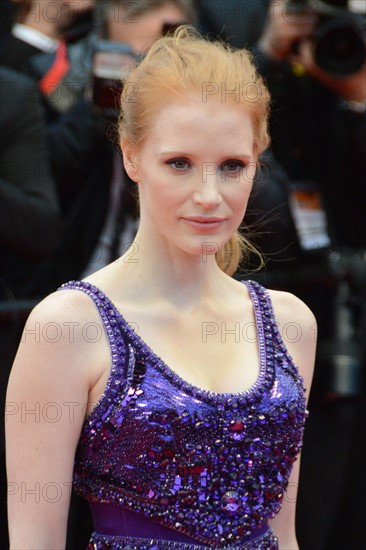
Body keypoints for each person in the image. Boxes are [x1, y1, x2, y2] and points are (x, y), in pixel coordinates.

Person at [6, 26, 316, 549]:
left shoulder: (290, 324)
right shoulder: (67, 327)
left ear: (257, 163)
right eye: (180, 163)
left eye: (233, 166)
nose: (209, 195)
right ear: (131, 156)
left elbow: (283, 535)